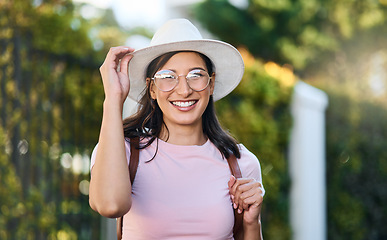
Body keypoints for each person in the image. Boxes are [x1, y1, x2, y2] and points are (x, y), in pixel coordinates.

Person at [89, 18, 265, 240]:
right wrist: (113, 99)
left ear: (211, 84)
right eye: (167, 77)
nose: (184, 90)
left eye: (196, 75)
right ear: (152, 88)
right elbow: (110, 205)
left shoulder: (240, 163)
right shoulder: (120, 151)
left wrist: (251, 223)